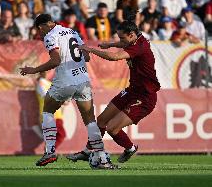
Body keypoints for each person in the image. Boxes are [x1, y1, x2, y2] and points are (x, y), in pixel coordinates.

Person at [20, 14, 114, 169]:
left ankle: (50, 151)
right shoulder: (73, 32)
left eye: (39, 30)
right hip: (83, 80)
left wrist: (34, 70)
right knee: (90, 120)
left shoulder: (50, 35)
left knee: (47, 111)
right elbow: (87, 57)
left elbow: (56, 60)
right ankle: (102, 158)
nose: (40, 33)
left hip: (65, 80)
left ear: (42, 26)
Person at [67, 20, 160, 164]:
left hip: (145, 97)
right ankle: (87, 152)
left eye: (122, 38)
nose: (120, 41)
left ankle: (130, 148)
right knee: (102, 120)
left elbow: (114, 57)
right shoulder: (135, 40)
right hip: (131, 91)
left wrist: (91, 50)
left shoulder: (140, 46)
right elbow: (124, 44)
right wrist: (110, 44)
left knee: (112, 128)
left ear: (131, 35)